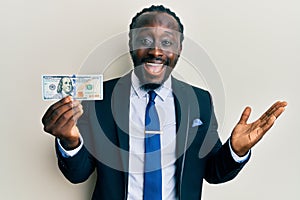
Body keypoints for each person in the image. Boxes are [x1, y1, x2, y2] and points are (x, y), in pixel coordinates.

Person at [42, 5, 287, 200]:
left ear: (179, 48)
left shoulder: (200, 101)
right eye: (146, 41)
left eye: (167, 42)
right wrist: (69, 140)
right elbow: (78, 173)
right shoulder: (100, 99)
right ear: (131, 44)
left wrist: (236, 150)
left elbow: (213, 172)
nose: (156, 51)